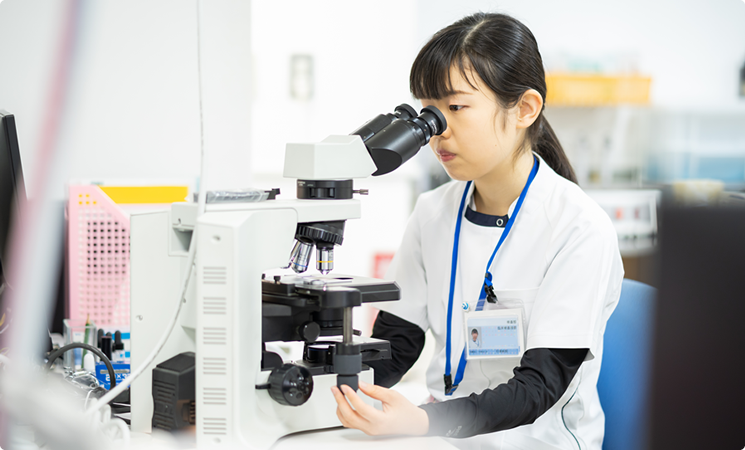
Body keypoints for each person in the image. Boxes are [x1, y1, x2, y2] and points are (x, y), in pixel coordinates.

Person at [330, 12, 623, 450]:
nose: (437, 131)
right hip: (442, 435)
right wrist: (332, 388)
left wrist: (424, 421)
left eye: (456, 107)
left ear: (524, 109)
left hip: (534, 441)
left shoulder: (578, 227)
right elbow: (398, 341)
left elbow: (540, 388)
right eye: (430, 111)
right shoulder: (432, 213)